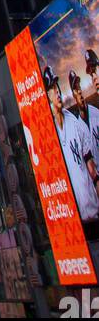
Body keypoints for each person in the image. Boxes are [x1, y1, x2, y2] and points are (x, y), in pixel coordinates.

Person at [45, 67, 99, 228]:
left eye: (57, 87)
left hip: (94, 213)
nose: (57, 92)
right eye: (52, 89)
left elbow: (91, 166)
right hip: (72, 223)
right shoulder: (47, 132)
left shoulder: (75, 122)